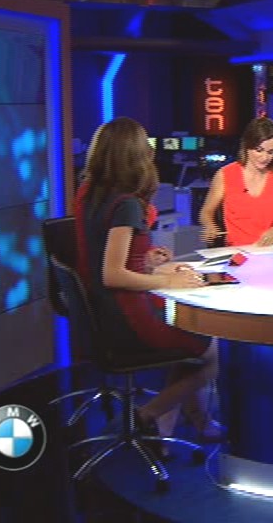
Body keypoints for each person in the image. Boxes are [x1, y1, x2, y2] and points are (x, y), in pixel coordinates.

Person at [74, 116, 220, 446]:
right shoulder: (126, 204)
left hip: (102, 316)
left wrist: (148, 262)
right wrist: (167, 282)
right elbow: (112, 274)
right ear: (136, 155)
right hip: (126, 318)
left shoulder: (88, 194)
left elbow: (104, 255)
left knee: (187, 342)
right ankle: (146, 416)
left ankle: (194, 421)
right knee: (211, 353)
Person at [199, 117, 273, 247]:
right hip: (237, 249)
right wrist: (210, 226)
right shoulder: (225, 174)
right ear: (247, 146)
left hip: (272, 249)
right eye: (259, 150)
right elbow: (206, 211)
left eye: (270, 152)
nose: (264, 157)